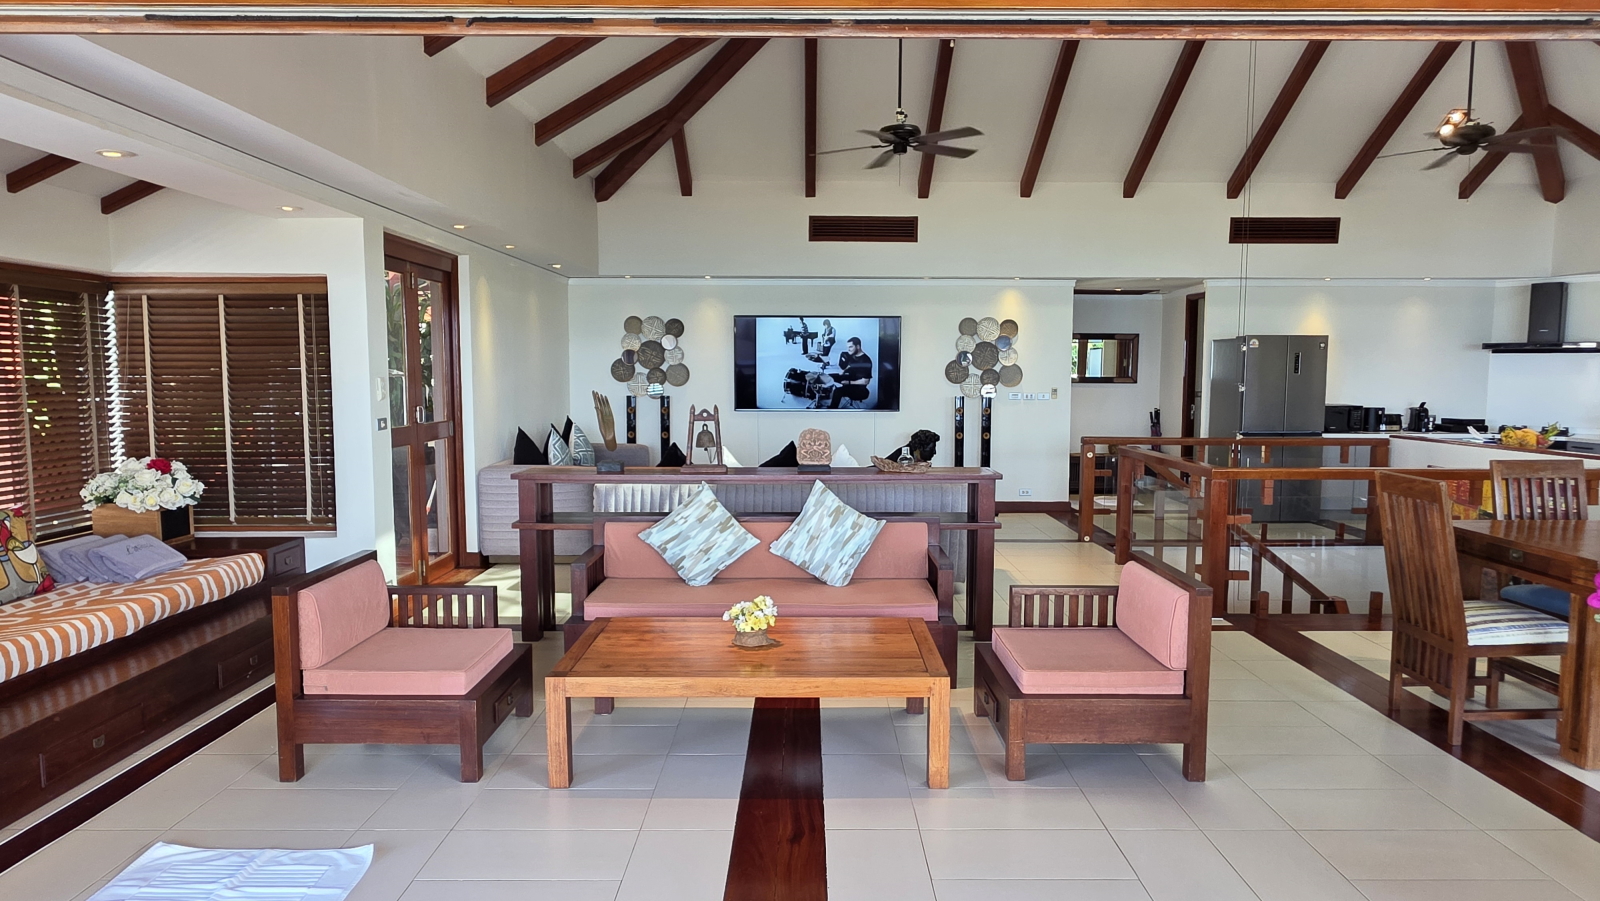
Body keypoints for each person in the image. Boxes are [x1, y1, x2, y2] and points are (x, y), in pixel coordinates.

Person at [828, 337, 873, 408]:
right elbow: (849, 366)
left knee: (838, 391)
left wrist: (849, 382)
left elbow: (865, 381)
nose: (848, 349)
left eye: (851, 347)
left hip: (858, 388)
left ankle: (832, 409)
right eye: (847, 347)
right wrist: (843, 372)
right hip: (849, 378)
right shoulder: (852, 355)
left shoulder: (866, 361)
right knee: (827, 377)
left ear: (858, 346)